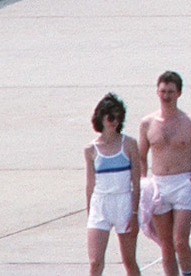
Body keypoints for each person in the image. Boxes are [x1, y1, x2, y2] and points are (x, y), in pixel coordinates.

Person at [139, 71, 191, 276]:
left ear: (179, 93)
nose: (166, 96)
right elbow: (141, 156)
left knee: (180, 240)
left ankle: (188, 273)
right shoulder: (147, 123)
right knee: (166, 244)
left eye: (170, 91)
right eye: (162, 91)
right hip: (159, 183)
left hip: (183, 183)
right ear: (157, 92)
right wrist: (144, 182)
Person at [86, 93, 144, 276]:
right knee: (95, 262)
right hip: (100, 203)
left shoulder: (129, 144)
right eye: (111, 117)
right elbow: (90, 184)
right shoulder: (90, 149)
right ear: (101, 118)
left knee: (129, 261)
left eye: (118, 117)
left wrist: (134, 213)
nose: (115, 121)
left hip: (124, 202)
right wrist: (90, 212)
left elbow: (136, 182)